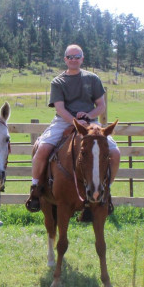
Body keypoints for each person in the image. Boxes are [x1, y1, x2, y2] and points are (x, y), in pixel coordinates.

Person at [25, 44, 121, 218]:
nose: (74, 60)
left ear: (82, 59)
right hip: (64, 121)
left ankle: (106, 190)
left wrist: (89, 116)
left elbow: (101, 106)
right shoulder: (58, 82)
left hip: (91, 122)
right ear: (65, 60)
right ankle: (35, 189)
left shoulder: (93, 79)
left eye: (77, 57)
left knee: (115, 153)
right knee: (42, 149)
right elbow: (60, 109)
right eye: (70, 57)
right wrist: (76, 123)